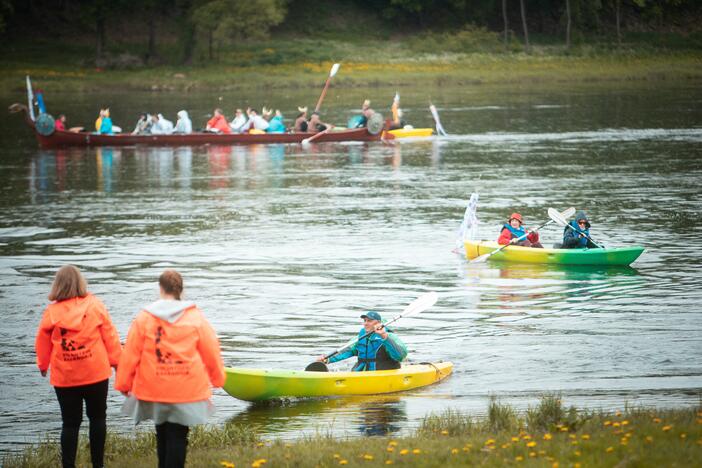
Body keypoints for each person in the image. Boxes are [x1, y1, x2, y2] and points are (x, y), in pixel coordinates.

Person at [115, 270, 225, 468]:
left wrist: (124, 383)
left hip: (154, 385)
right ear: (180, 290)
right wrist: (218, 379)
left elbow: (131, 353)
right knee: (178, 435)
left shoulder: (144, 318)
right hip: (185, 387)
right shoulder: (194, 317)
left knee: (162, 432)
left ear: (160, 288)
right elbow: (211, 349)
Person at [35, 265, 122, 468]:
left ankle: (68, 466)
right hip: (95, 373)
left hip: (65, 377)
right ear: (81, 283)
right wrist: (117, 361)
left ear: (58, 285)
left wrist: (43, 364)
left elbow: (42, 340)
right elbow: (110, 336)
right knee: (98, 418)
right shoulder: (95, 305)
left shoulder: (51, 312)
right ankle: (98, 465)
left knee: (70, 423)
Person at [317, 311, 407, 371]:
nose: (365, 323)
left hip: (383, 373)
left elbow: (401, 355)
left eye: (369, 321)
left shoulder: (389, 336)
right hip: (363, 372)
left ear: (378, 323)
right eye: (365, 320)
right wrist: (327, 359)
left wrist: (384, 336)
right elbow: (347, 350)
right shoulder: (360, 337)